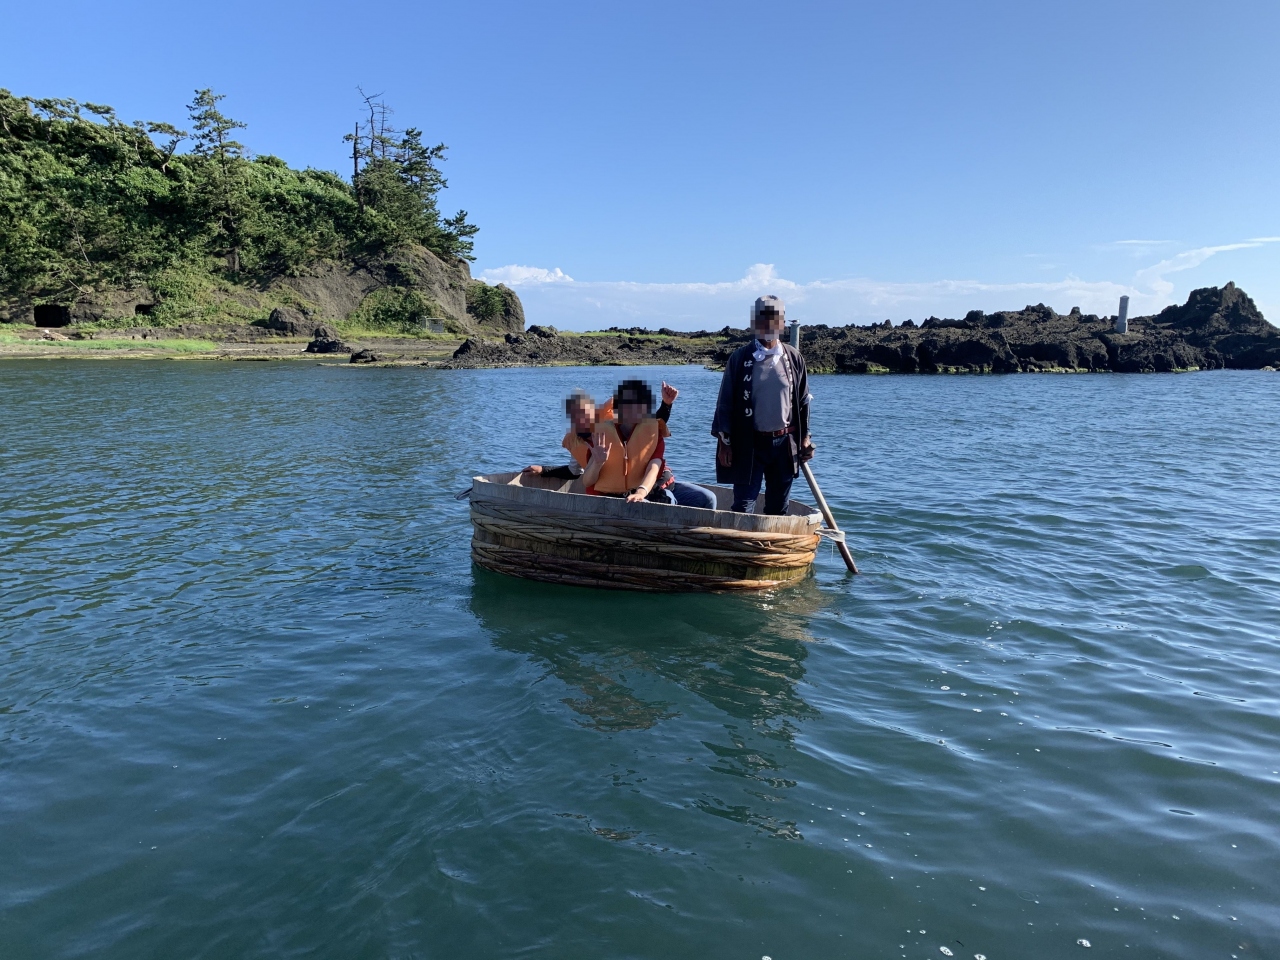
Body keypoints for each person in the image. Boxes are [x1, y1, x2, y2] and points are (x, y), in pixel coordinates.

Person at [712, 295, 815, 514]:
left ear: (782, 324)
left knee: (778, 509)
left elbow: (804, 401)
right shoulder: (740, 358)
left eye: (774, 319)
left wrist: (805, 438)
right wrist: (724, 443)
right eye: (763, 319)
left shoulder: (794, 358)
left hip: (784, 444)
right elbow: (725, 402)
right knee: (743, 507)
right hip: (749, 444)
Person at [581, 379, 717, 509]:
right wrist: (598, 462)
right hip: (618, 496)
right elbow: (587, 481)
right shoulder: (602, 435)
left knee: (708, 499)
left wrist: (641, 492)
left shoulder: (653, 432)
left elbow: (654, 467)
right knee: (661, 502)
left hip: (652, 488)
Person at [524, 382, 677, 480]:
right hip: (617, 488)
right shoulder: (576, 439)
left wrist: (666, 404)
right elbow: (573, 472)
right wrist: (544, 470)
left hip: (651, 478)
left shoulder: (615, 422)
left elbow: (652, 425)